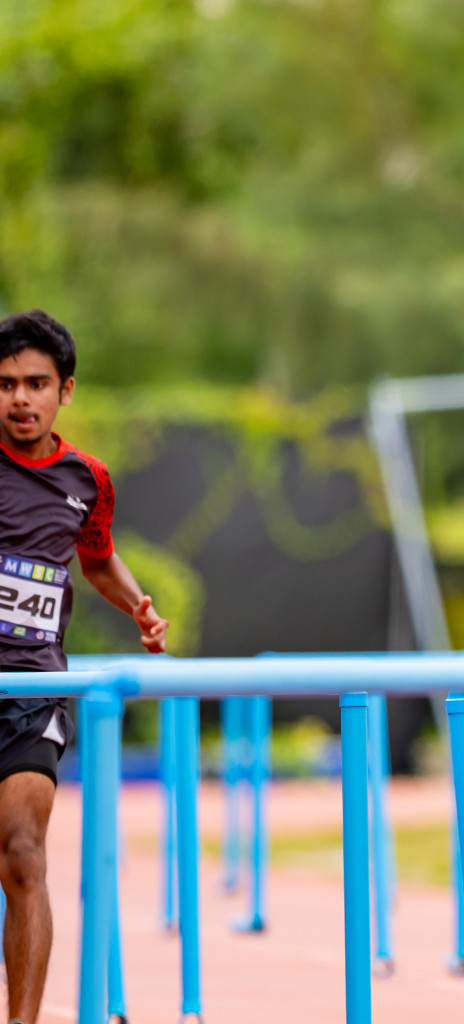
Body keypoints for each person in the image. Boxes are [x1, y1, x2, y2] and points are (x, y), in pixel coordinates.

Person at [0, 310, 168, 1024]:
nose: (20, 399)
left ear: (64, 390)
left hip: (33, 692)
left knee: (23, 851)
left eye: (36, 383)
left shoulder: (86, 478)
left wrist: (138, 607)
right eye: (6, 384)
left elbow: (95, 555)